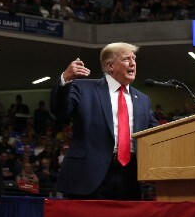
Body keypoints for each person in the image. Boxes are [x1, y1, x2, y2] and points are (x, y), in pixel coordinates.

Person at [50, 43, 159, 200]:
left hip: (129, 178)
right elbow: (59, 111)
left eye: (134, 59)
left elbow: (156, 133)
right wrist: (65, 79)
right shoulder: (83, 88)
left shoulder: (142, 99)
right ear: (110, 66)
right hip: (87, 175)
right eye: (127, 59)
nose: (133, 63)